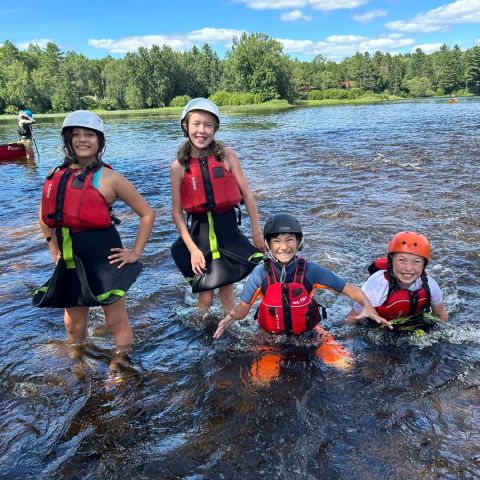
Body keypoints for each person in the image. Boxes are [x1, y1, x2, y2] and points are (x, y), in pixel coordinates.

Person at [33, 110, 155, 366]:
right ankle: (77, 363)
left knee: (115, 321)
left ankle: (119, 364)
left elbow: (147, 214)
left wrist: (135, 253)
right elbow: (45, 218)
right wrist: (53, 250)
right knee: (74, 325)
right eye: (76, 135)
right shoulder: (54, 177)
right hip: (70, 258)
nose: (82, 140)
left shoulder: (110, 178)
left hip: (104, 257)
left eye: (89, 135)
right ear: (67, 139)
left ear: (99, 141)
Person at [213, 213, 392, 346]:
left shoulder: (311, 271)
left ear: (299, 242)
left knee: (346, 367)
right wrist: (230, 316)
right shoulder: (260, 274)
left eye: (290, 240)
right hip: (270, 337)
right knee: (260, 383)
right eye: (277, 241)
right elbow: (243, 310)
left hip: (309, 333)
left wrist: (368, 307)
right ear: (268, 245)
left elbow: (351, 290)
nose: (284, 247)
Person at [170, 98, 264, 315]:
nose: (201, 130)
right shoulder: (178, 167)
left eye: (208, 125)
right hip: (200, 234)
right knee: (205, 294)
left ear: (215, 128)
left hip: (227, 230)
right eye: (196, 124)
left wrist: (257, 233)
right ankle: (203, 336)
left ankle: (230, 328)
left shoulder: (227, 156)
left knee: (226, 291)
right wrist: (193, 250)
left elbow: (248, 196)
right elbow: (177, 212)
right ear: (185, 126)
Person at [346, 231, 448, 331]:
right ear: (391, 261)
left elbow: (441, 316)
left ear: (423, 265)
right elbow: (351, 319)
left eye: (416, 262)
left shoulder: (429, 285)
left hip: (412, 324)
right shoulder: (377, 285)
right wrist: (347, 342)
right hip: (377, 328)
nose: (408, 268)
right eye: (402, 260)